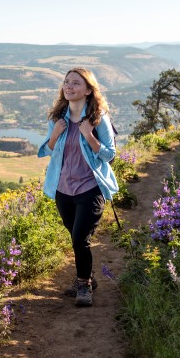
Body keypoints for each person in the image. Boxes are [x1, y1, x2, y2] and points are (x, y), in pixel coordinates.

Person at [38, 67, 119, 307]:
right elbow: (49, 149)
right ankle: (88, 278)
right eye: (66, 82)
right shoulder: (58, 118)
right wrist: (56, 134)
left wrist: (89, 135)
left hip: (90, 187)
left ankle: (83, 285)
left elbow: (110, 154)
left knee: (79, 240)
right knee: (74, 236)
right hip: (63, 189)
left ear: (87, 90)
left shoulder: (97, 118)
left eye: (75, 83)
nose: (69, 86)